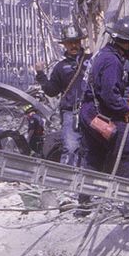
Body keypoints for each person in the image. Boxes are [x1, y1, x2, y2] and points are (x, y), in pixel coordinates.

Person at [78, 17, 129, 182]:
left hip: (90, 113)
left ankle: (86, 200)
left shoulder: (104, 55)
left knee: (93, 157)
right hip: (103, 114)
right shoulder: (112, 61)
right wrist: (128, 110)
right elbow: (110, 95)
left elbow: (124, 79)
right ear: (127, 43)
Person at [34, 24, 90, 166]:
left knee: (91, 150)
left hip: (91, 112)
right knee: (71, 148)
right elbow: (51, 91)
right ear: (64, 44)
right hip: (71, 112)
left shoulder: (92, 61)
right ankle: (67, 181)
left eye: (76, 41)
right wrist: (40, 74)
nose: (73, 45)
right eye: (70, 42)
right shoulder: (60, 67)